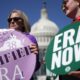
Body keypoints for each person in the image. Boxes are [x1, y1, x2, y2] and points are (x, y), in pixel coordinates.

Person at [7, 9, 40, 80]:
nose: (12, 21)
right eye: (10, 20)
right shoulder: (3, 40)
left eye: (16, 19)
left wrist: (35, 56)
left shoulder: (29, 39)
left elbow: (35, 67)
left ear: (23, 22)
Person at [59, 0, 80, 80]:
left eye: (65, 2)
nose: (63, 7)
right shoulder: (69, 28)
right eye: (61, 5)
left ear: (78, 2)